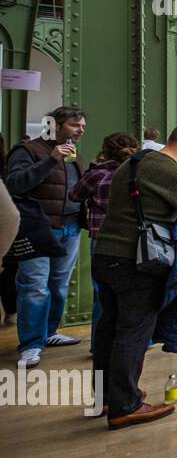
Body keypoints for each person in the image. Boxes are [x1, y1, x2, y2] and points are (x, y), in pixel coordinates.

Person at [91, 124, 177, 428]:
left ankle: (106, 396)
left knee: (108, 328)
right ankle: (126, 405)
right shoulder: (175, 174)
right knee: (133, 332)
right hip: (136, 263)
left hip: (105, 254)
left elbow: (147, 204)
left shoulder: (132, 164)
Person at [6, 106, 88, 368]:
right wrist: (51, 159)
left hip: (70, 228)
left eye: (83, 126)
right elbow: (16, 184)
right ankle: (31, 345)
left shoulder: (74, 155)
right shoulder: (28, 150)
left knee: (58, 285)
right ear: (56, 125)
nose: (81, 130)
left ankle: (49, 332)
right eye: (76, 125)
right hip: (39, 229)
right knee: (34, 287)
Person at [70, 132, 139, 355]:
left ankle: (100, 345)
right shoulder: (137, 174)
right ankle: (133, 344)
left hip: (102, 240)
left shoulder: (96, 174)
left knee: (103, 294)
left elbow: (74, 195)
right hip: (133, 239)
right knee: (133, 293)